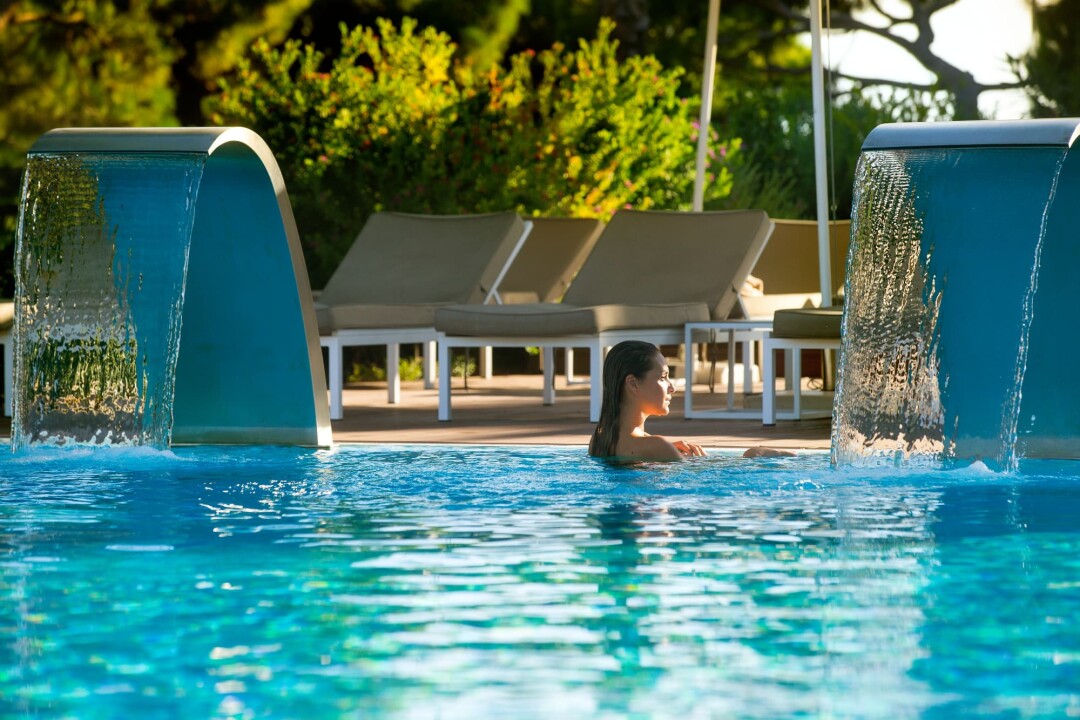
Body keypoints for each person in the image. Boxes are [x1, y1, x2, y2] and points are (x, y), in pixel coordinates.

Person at [588, 340, 795, 462]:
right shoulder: (656, 446)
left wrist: (667, 448)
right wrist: (754, 455)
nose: (672, 387)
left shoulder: (599, 440)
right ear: (633, 383)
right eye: (663, 377)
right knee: (752, 454)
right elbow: (710, 478)